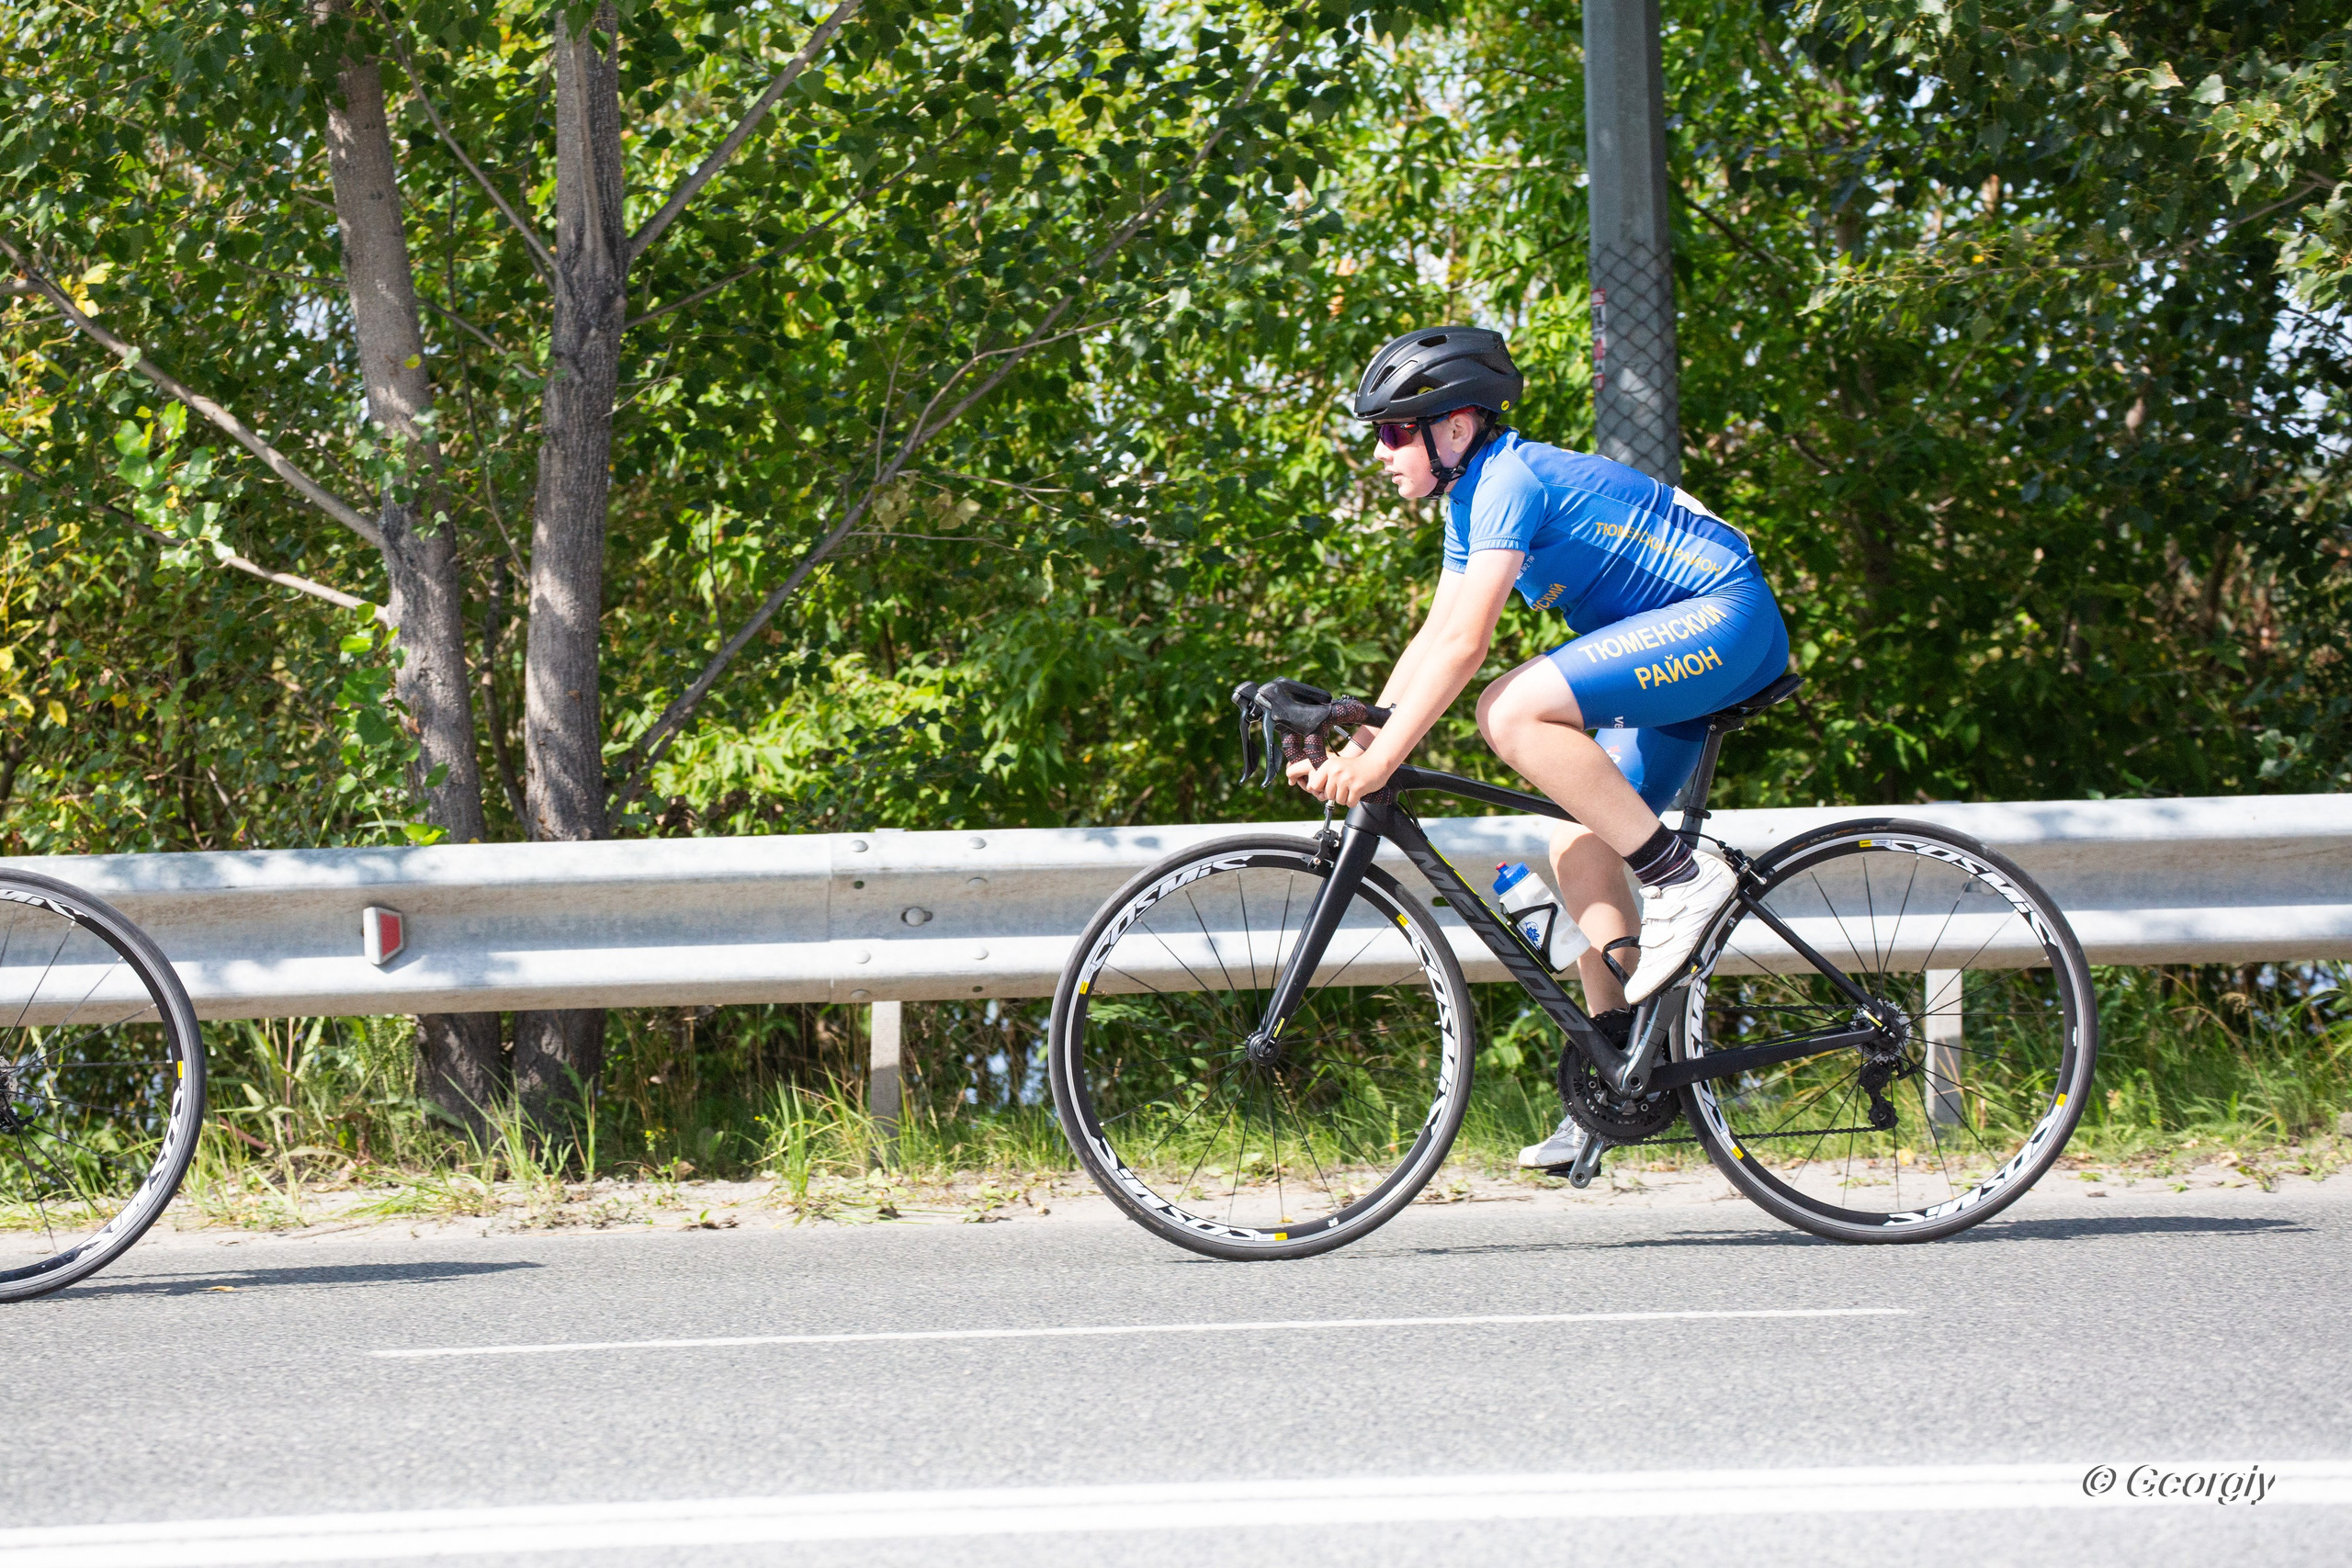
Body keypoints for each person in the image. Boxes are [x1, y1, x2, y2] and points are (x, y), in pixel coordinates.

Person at [1290, 325, 1791, 1169]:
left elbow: (1465, 651)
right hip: (1675, 645)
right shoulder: (1470, 498)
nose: (1381, 453)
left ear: (1453, 427)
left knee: (1510, 710)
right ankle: (1623, 1075)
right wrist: (1364, 743)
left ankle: (1683, 875)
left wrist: (1378, 763)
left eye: (1392, 431)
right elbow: (1434, 634)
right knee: (1577, 846)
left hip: (1725, 618)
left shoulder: (1509, 479)